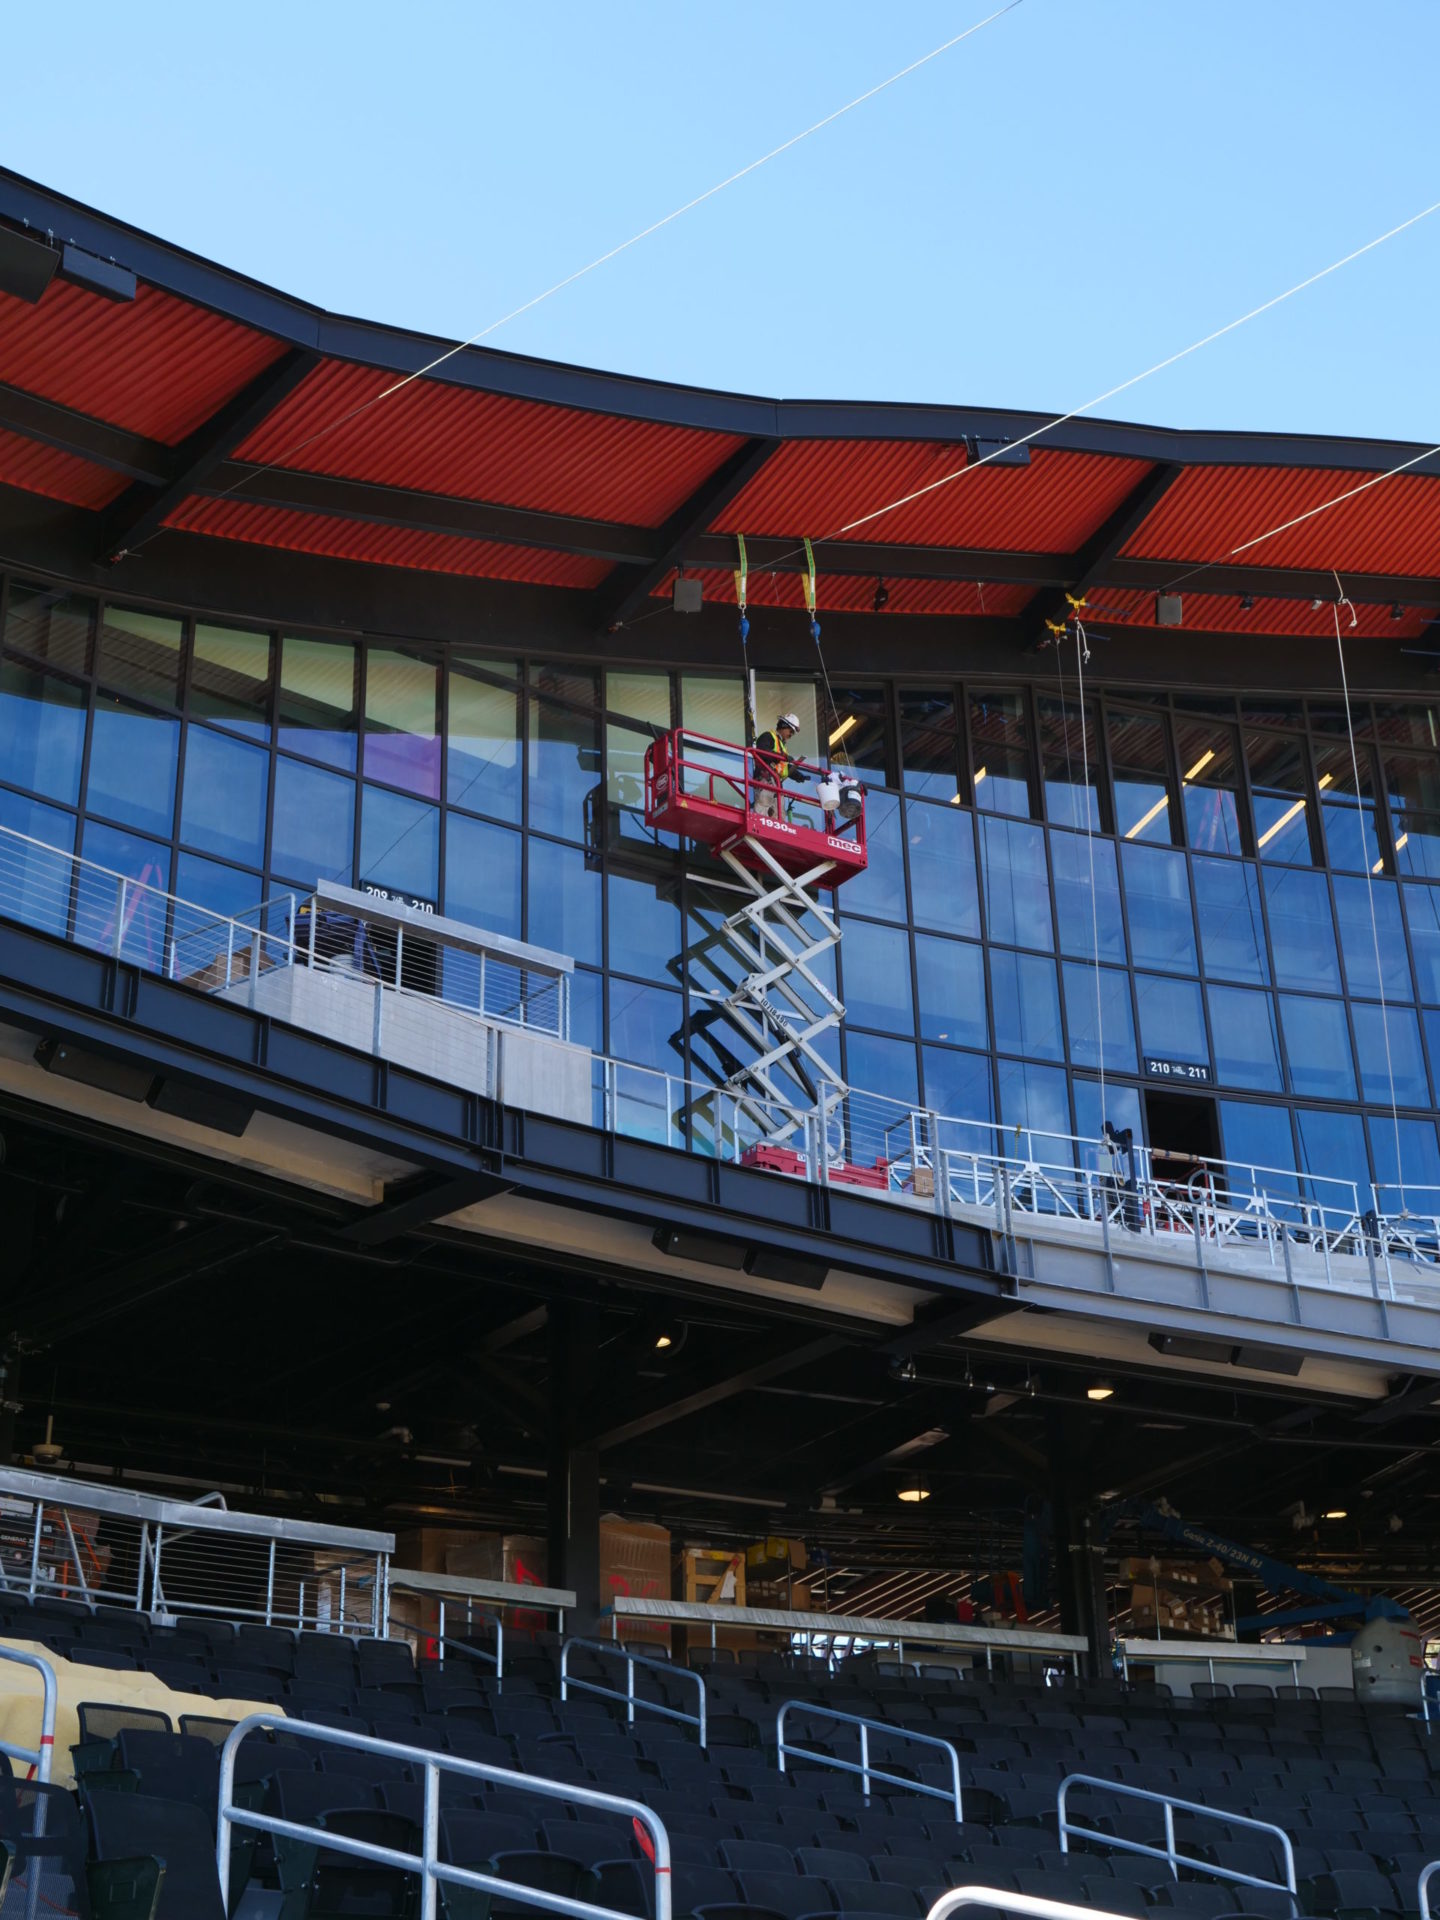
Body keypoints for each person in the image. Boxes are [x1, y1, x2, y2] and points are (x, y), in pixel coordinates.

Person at [752, 711, 809, 819]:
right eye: (791, 731)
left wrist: (798, 775)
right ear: (783, 726)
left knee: (779, 815)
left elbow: (783, 767)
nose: (791, 735)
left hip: (776, 784)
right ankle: (759, 828)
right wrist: (780, 756)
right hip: (765, 779)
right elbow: (762, 751)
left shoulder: (781, 745)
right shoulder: (768, 736)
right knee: (763, 806)